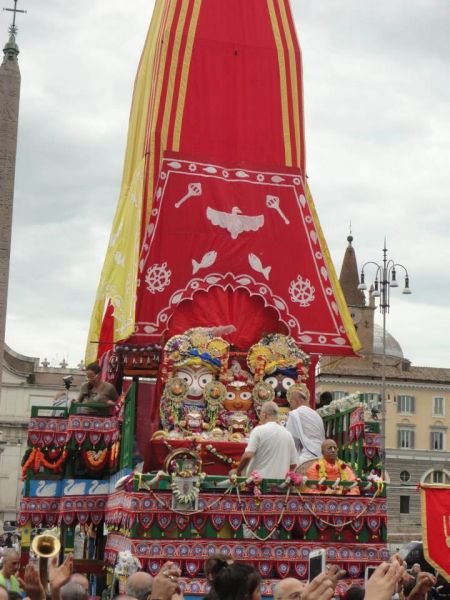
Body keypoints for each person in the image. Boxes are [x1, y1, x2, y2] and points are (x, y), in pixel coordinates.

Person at [231, 402, 298, 479]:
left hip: (259, 484)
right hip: (279, 486)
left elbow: (248, 455)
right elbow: (293, 464)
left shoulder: (259, 430)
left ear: (264, 415)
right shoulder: (288, 434)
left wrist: (237, 471)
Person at [285, 384, 325, 473]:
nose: (291, 407)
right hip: (322, 455)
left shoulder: (295, 413)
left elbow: (290, 439)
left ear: (295, 401)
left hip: (307, 457)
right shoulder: (316, 414)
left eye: (290, 403)